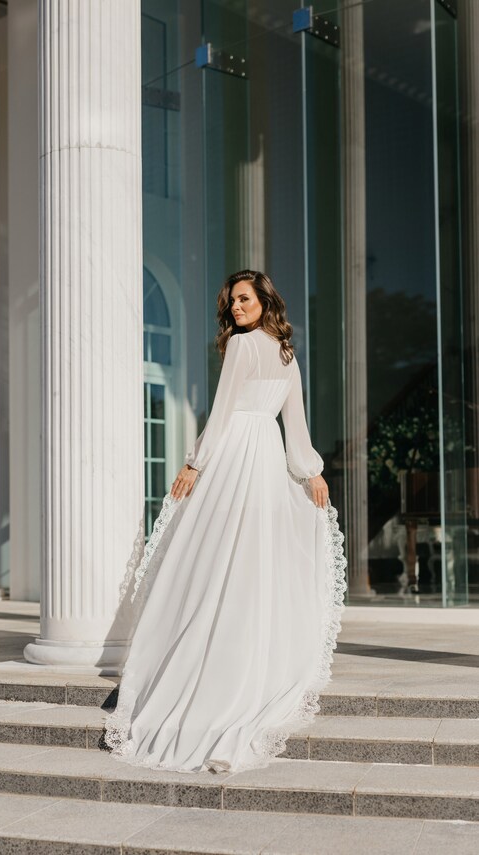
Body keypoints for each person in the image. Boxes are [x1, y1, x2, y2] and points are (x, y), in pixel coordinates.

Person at [104, 269, 347, 774]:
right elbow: (295, 429)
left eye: (243, 299)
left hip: (239, 453)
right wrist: (308, 470)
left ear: (263, 301)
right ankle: (232, 662)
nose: (235, 308)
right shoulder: (285, 352)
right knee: (243, 559)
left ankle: (212, 665)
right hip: (264, 454)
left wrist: (196, 461)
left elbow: (222, 413)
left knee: (216, 557)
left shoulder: (245, 347)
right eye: (231, 302)